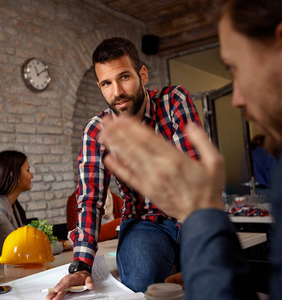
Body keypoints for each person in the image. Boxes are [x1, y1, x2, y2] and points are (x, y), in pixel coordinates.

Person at [98, 0, 282, 298]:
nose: (237, 99)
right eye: (106, 83)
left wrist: (200, 215)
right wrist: (211, 266)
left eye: (236, 68)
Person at [48, 37, 202, 299]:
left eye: (124, 77)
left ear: (142, 75)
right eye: (106, 83)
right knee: (141, 282)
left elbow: (193, 179)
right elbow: (90, 199)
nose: (116, 91)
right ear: (99, 86)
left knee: (210, 281)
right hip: (144, 221)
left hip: (192, 213)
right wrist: (81, 264)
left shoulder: (173, 101)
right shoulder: (96, 130)